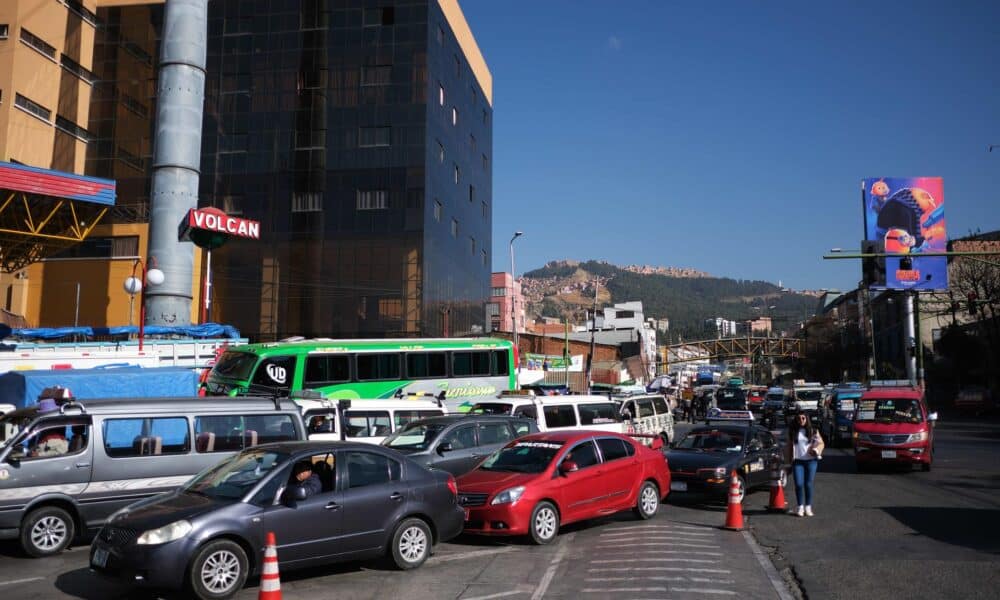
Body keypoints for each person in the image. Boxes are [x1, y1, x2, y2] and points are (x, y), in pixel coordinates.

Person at [784, 410, 824, 517]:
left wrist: (816, 450)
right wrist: (787, 463)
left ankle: (808, 507)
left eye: (803, 418)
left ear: (807, 419)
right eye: (798, 418)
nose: (801, 420)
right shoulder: (793, 431)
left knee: (808, 484)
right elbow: (788, 448)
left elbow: (821, 443)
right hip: (798, 462)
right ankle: (800, 507)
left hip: (811, 461)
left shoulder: (813, 430)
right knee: (798, 484)